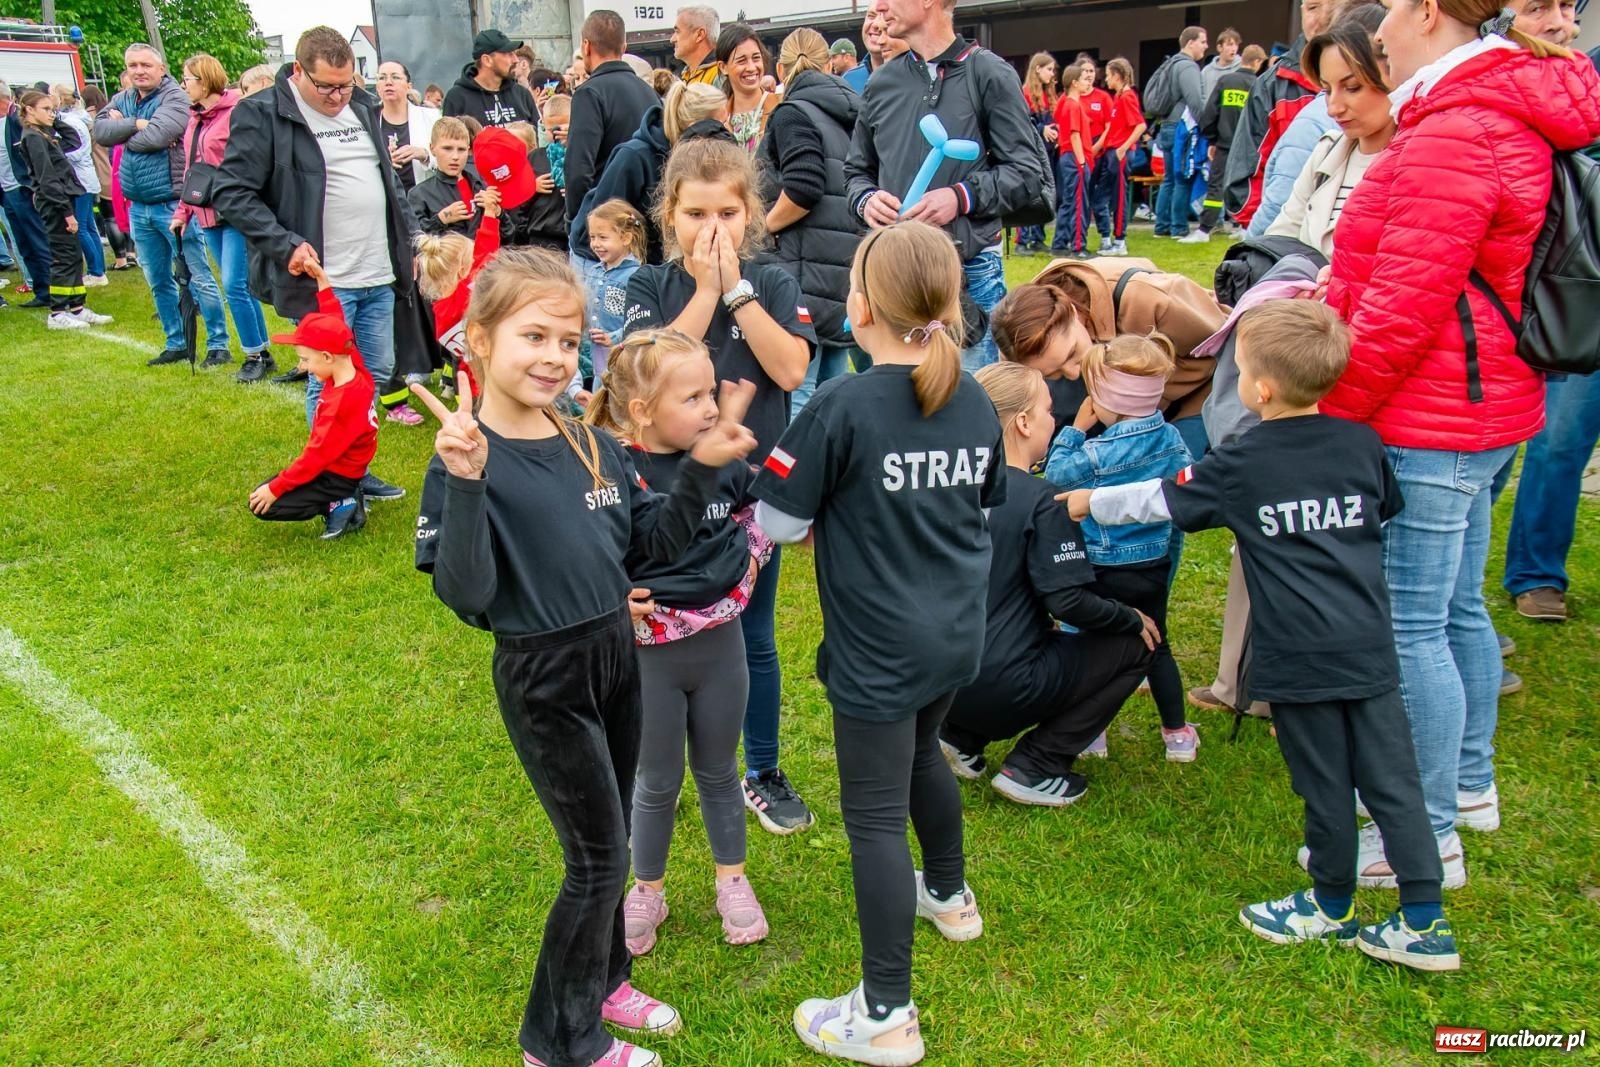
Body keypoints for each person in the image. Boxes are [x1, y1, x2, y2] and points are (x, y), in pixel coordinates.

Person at [412, 246, 760, 1067]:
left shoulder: (589, 442)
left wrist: (701, 470)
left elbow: (649, 547)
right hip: (546, 674)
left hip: (617, 656)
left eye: (568, 342)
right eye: (533, 336)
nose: (554, 357)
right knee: (597, 860)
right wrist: (466, 480)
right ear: (479, 340)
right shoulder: (466, 454)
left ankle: (604, 980)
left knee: (610, 845)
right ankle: (559, 1041)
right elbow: (467, 592)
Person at [1068, 300, 1460, 972]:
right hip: (1370, 645)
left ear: (1263, 389)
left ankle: (1330, 907)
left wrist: (1087, 502)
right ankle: (1424, 921)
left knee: (1324, 781)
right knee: (1394, 781)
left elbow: (1161, 497)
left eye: (1240, 370)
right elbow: (1383, 511)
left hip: (1298, 654)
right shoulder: (1362, 445)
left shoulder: (1241, 460)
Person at [1321, 0, 1600, 887]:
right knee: (1451, 611)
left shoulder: (1457, 129)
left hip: (1431, 413)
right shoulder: (1479, 109)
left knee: (1410, 631)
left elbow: (1402, 309)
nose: (1381, 31)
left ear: (1430, 13)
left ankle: (1422, 833)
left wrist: (1334, 416)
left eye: (1394, 10)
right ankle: (1468, 786)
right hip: (1475, 403)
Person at [752, 222, 1000, 1065]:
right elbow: (983, 501)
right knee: (923, 750)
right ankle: (951, 895)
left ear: (858, 306)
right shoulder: (973, 396)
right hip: (954, 632)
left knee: (873, 821)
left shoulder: (842, 404)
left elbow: (776, 521)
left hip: (881, 646)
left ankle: (886, 1011)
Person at [622, 138, 818, 835]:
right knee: (657, 632)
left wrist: (736, 290)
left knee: (751, 634)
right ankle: (656, 768)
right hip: (659, 494)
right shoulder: (651, 286)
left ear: (752, 214)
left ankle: (761, 769)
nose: (713, 229)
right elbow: (644, 370)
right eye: (696, 213)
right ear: (668, 216)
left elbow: (791, 370)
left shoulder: (773, 280)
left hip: (747, 494)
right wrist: (705, 291)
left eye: (728, 214)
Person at [583, 330, 773, 956]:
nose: (711, 408)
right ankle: (648, 889)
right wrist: (614, 595)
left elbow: (772, 500)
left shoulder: (722, 458)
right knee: (656, 780)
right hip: (650, 657)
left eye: (711, 392)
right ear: (642, 410)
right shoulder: (618, 470)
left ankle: (732, 880)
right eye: (692, 398)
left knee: (719, 770)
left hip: (720, 647)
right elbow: (611, 549)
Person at [940, 361, 1157, 805]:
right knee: (1137, 645)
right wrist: (1130, 617)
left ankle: (957, 736)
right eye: (1048, 410)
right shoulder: (1043, 501)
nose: (1053, 421)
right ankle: (1037, 764)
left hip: (933, 679)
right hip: (1003, 685)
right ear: (1023, 422)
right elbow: (1069, 602)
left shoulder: (943, 487)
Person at [213, 27, 413, 503]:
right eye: (326, 87)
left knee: (371, 377)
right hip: (323, 277)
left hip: (377, 270)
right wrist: (286, 245)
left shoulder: (362, 105)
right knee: (329, 382)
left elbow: (388, 184)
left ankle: (354, 471)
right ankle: (331, 483)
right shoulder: (262, 113)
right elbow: (231, 192)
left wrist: (412, 240)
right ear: (298, 71)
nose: (338, 96)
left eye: (346, 85)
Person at [844, 0, 1047, 371]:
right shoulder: (881, 83)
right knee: (900, 399)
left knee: (972, 397)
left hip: (970, 273)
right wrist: (866, 199)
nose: (881, 7)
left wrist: (960, 197)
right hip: (895, 274)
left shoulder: (988, 73)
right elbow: (856, 172)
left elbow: (1026, 172)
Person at [1044, 334, 1197, 761]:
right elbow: (1183, 487)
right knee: (1157, 645)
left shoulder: (1096, 450)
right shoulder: (1172, 439)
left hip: (1099, 567)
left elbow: (1054, 477)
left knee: (1085, 645)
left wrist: (1075, 430)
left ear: (1108, 400)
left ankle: (1092, 736)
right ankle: (1177, 735)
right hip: (1151, 565)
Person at [1499, 0, 1588, 625]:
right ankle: (1535, 575)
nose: (1562, 22)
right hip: (1561, 297)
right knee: (1553, 439)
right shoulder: (1568, 87)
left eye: (1567, 8)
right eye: (1540, 7)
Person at [93, 42, 231, 366]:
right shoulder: (124, 98)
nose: (139, 71)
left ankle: (218, 344)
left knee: (198, 275)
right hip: (139, 206)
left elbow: (157, 136)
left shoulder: (175, 98)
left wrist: (123, 128)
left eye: (146, 65)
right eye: (133, 65)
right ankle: (176, 341)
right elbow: (100, 131)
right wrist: (136, 124)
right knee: (157, 279)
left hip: (173, 202)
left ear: (161, 68)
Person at [1003, 257, 1224, 460]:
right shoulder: (1018, 331)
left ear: (1073, 311)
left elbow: (1223, 348)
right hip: (1117, 406)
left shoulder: (1151, 298)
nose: (1073, 373)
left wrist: (1141, 395)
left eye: (1071, 354)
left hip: (1198, 395)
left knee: (1170, 474)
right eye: (1053, 373)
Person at [758, 28, 867, 415]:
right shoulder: (854, 111)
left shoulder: (793, 113)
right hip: (844, 267)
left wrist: (762, 228)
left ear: (781, 69)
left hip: (803, 271)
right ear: (828, 64)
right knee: (831, 397)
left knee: (797, 397)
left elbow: (804, 187)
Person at [247, 259, 378, 539]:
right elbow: (336, 320)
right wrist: (323, 282)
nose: (303, 366)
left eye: (306, 359)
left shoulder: (339, 405)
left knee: (263, 504)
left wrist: (276, 488)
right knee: (263, 491)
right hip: (342, 467)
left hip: (337, 475)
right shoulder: (353, 364)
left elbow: (315, 457)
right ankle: (343, 496)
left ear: (328, 357)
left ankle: (340, 501)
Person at [171, 54, 272, 372]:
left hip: (236, 211)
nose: (183, 85)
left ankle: (254, 355)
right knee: (241, 286)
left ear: (204, 81)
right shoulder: (194, 119)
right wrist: (183, 212)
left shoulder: (237, 111)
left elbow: (253, 160)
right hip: (207, 214)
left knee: (233, 284)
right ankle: (262, 351)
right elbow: (192, 171)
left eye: (187, 79)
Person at [1266, 14, 1392, 257]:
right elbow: (1278, 243)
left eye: (1352, 87)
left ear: (1394, 71)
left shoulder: (1420, 163)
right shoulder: (1325, 151)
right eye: (1326, 90)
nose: (1333, 108)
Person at [568, 82, 731, 268]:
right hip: (600, 259)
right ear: (696, 126)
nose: (726, 131)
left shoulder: (699, 157)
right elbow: (603, 215)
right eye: (721, 124)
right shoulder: (635, 156)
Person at [1222, 0, 1330, 227]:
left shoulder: (1380, 75)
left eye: (1335, 5)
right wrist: (1267, 233)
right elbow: (1246, 173)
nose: (1324, 18)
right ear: (1301, 12)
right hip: (1285, 229)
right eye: (1313, 7)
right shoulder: (1273, 86)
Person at [16, 90, 109, 330]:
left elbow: (74, 140)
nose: (51, 114)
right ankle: (57, 312)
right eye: (46, 109)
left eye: (53, 109)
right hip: (55, 204)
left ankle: (77, 307)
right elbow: (47, 179)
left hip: (64, 198)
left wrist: (56, 120)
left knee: (74, 255)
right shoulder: (33, 138)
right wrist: (66, 213)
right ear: (29, 110)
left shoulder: (44, 133)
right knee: (63, 257)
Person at [568, 11, 663, 235]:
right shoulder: (648, 92)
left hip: (605, 225)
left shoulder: (589, 93)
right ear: (624, 47)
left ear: (586, 46)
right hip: (644, 219)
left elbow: (578, 170)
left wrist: (576, 225)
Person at [412, 183, 502, 401]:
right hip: (494, 379)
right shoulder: (468, 293)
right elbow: (487, 253)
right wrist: (490, 214)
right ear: (462, 270)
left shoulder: (440, 310)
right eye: (471, 260)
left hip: (469, 384)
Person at [1194, 43, 1267, 240]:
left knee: (1216, 187)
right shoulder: (1259, 85)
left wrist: (1212, 140)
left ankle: (1204, 230)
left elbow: (1210, 114)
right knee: (1246, 187)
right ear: (1257, 62)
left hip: (1224, 145)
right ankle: (1245, 228)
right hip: (1248, 147)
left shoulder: (1226, 81)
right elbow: (1262, 119)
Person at [1, 80, 54, 306]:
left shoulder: (16, 119)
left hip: (22, 190)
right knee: (23, 244)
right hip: (7, 192)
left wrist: (33, 186)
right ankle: (41, 290)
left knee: (37, 240)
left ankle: (54, 290)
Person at [584, 198, 647, 386]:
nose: (596, 244)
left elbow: (639, 321)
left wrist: (612, 337)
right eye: (592, 237)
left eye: (603, 238)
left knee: (617, 389)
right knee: (598, 388)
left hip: (621, 352)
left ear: (626, 238)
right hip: (595, 351)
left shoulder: (636, 276)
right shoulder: (594, 271)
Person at [1153, 27, 1208, 239]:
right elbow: (1196, 101)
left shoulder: (1171, 64)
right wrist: (1207, 127)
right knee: (1182, 178)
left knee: (1168, 179)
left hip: (1166, 125)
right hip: (1181, 129)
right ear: (1190, 43)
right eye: (1202, 41)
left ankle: (1161, 226)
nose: (1205, 46)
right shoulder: (1188, 67)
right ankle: (1179, 228)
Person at [50, 85, 105, 287]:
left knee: (80, 227)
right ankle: (99, 270)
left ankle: (96, 271)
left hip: (80, 181)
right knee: (89, 226)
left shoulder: (69, 122)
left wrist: (57, 156)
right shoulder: (76, 119)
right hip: (84, 178)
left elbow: (80, 150)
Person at [1090, 58, 1144, 256]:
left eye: (1108, 75)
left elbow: (1140, 125)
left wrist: (1123, 148)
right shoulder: (1119, 97)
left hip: (1119, 153)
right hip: (1112, 152)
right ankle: (1107, 238)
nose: (1106, 80)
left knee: (1119, 197)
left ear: (1117, 76)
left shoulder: (1128, 97)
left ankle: (1120, 241)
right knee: (1101, 197)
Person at [80, 86, 134, 271]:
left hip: (104, 172)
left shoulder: (90, 121)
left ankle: (121, 259)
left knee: (111, 217)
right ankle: (131, 252)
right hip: (121, 169)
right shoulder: (113, 115)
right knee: (127, 213)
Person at [407, 117, 489, 238]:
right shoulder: (419, 194)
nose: (455, 156)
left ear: (468, 150)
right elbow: (413, 238)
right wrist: (441, 219)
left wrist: (498, 212)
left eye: (461, 149)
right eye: (447, 148)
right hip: (444, 250)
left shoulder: (482, 186)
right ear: (432, 148)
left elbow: (508, 234)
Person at [444, 29, 539, 128]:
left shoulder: (522, 95)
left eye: (514, 53)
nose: (515, 60)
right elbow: (450, 136)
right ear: (487, 60)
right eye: (508, 54)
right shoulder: (457, 98)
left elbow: (538, 135)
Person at [1049, 60, 1095, 258]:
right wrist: (1082, 161)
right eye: (1084, 79)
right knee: (1078, 203)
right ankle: (1078, 245)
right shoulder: (1073, 105)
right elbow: (1075, 135)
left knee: (1069, 201)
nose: (1088, 82)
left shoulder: (1066, 103)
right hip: (1075, 157)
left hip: (1069, 157)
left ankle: (1060, 243)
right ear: (1075, 82)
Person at [375, 61, 440, 193]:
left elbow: (451, 156)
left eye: (395, 77)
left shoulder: (431, 117)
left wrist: (425, 155)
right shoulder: (368, 119)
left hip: (422, 198)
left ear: (409, 86)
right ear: (377, 87)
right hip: (384, 198)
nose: (388, 82)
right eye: (382, 78)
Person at [1016, 52, 1058, 254]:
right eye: (1049, 69)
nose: (1052, 73)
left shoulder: (1049, 95)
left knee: (1045, 193)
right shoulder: (1024, 93)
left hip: (1048, 152)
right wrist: (1042, 129)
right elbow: (1023, 122)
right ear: (1037, 69)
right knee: (1028, 192)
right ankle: (1022, 241)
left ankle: (1038, 238)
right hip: (1031, 152)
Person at [719, 24, 776, 155]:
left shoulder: (779, 107)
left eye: (756, 58)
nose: (751, 67)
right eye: (741, 61)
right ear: (723, 67)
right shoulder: (719, 118)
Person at [843, 4, 908, 94]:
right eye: (871, 16)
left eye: (886, 17)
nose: (877, 24)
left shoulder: (920, 76)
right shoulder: (848, 81)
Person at [672, 6, 722, 86]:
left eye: (677, 32)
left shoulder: (720, 76)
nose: (672, 39)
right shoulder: (685, 75)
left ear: (699, 35)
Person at [1202, 27, 1244, 98]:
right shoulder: (1207, 71)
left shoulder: (1242, 68)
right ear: (1220, 47)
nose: (1234, 48)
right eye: (1230, 44)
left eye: (1236, 45)